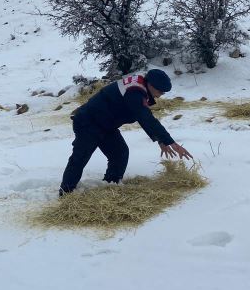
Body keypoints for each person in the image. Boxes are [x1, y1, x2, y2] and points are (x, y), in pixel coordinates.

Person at [59, 69, 192, 196]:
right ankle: (66, 193)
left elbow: (143, 117)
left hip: (106, 125)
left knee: (120, 153)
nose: (160, 95)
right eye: (160, 91)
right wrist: (171, 142)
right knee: (80, 157)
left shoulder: (140, 87)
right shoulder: (135, 91)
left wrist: (160, 140)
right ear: (151, 84)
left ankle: (111, 186)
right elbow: (146, 118)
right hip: (88, 122)